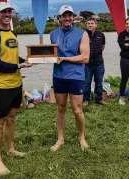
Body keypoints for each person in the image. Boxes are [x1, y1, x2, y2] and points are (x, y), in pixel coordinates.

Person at [0, 2, 32, 176]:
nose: (7, 14)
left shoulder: (12, 33)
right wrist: (18, 65)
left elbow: (11, 56)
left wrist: (24, 61)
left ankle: (11, 150)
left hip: (15, 85)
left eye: (9, 11)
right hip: (0, 87)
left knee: (11, 118)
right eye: (3, 11)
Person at [50, 5, 90, 151]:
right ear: (59, 18)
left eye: (70, 15)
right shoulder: (53, 34)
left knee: (76, 109)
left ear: (73, 17)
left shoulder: (82, 34)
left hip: (75, 76)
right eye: (64, 15)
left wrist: (65, 59)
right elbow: (52, 54)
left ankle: (82, 137)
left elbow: (85, 58)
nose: (67, 18)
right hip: (58, 76)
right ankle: (60, 139)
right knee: (60, 108)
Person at [83, 18, 106, 107]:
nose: (90, 25)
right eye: (88, 23)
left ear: (96, 25)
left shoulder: (101, 34)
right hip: (87, 63)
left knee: (99, 82)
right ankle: (86, 100)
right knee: (86, 83)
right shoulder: (83, 34)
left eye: (92, 23)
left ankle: (99, 99)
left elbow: (103, 46)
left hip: (99, 63)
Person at [117, 17, 129, 105]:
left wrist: (127, 44)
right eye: (127, 23)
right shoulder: (121, 34)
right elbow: (123, 47)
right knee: (124, 78)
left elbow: (126, 46)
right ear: (125, 24)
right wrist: (125, 45)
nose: (128, 25)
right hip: (125, 59)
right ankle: (121, 97)